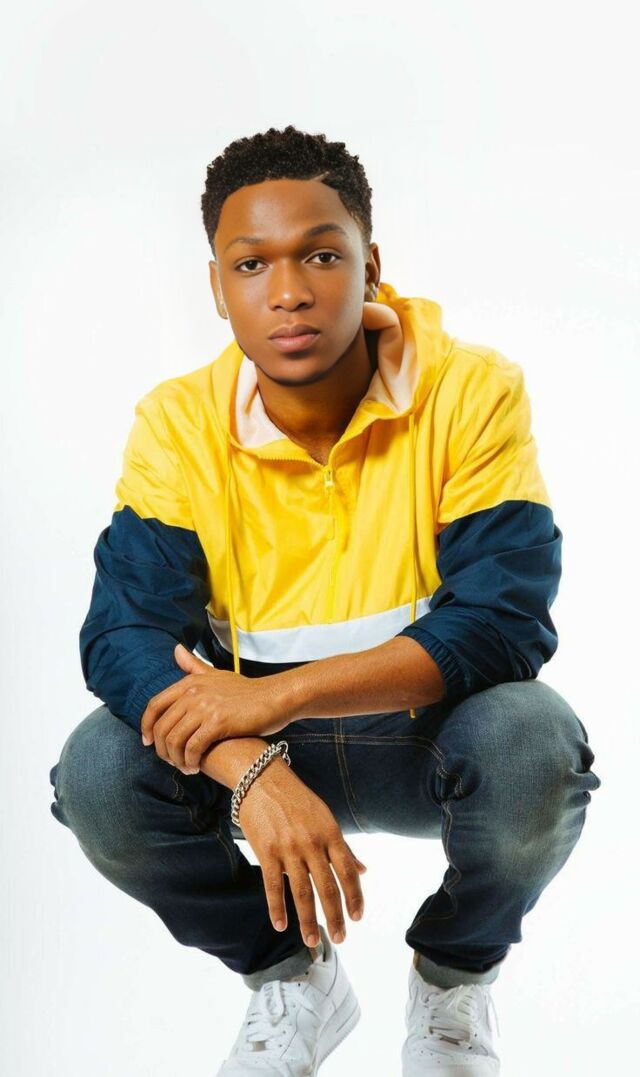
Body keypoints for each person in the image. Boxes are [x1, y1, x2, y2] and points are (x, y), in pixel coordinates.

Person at [48, 124, 601, 1075]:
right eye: (251, 264)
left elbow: (504, 623)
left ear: (370, 264)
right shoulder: (177, 424)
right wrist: (251, 767)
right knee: (97, 770)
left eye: (320, 255)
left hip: (426, 734)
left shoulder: (469, 390)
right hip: (258, 745)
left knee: (534, 743)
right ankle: (292, 979)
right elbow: (122, 635)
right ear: (217, 287)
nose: (289, 291)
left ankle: (452, 984)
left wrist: (274, 696)